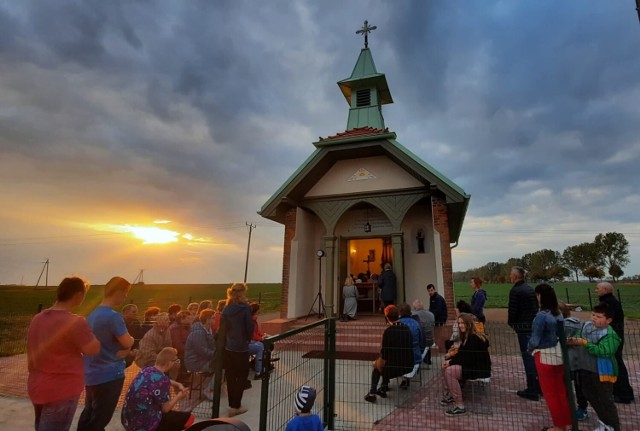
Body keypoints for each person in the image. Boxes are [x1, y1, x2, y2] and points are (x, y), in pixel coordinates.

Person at [27, 276, 100, 431]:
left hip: (37, 385)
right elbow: (93, 349)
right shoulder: (74, 322)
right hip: (62, 390)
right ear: (78, 295)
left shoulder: (38, 318)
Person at [78, 276, 135, 431]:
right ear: (118, 291)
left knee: (89, 413)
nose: (125, 296)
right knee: (100, 419)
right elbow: (128, 342)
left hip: (92, 373)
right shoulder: (113, 317)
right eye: (125, 292)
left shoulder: (93, 315)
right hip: (110, 375)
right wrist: (131, 340)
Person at [567, 303, 622, 431]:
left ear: (608, 320)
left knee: (605, 400)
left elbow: (604, 351)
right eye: (593, 315)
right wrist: (574, 340)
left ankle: (614, 427)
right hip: (586, 368)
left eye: (599, 316)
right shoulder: (586, 326)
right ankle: (605, 423)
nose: (594, 318)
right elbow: (580, 337)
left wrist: (585, 343)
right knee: (589, 394)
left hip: (602, 372)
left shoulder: (610, 335)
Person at [528, 284, 571, 431]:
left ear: (539, 296)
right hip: (558, 354)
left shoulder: (541, 315)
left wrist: (530, 348)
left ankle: (558, 427)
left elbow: (535, 338)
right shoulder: (557, 313)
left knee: (551, 394)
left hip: (544, 355)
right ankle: (567, 424)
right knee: (561, 392)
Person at [121, 347, 195, 431]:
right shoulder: (162, 381)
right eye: (175, 361)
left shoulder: (147, 369)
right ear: (169, 363)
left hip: (128, 420)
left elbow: (159, 379)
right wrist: (179, 396)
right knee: (189, 418)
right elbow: (165, 409)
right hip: (145, 425)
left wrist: (177, 384)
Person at [440, 313, 491, 417]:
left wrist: (450, 362)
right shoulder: (467, 336)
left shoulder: (474, 338)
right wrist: (450, 361)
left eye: (463, 323)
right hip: (472, 365)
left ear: (469, 324)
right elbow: (462, 354)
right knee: (446, 366)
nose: (460, 325)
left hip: (478, 368)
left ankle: (460, 406)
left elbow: (466, 357)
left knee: (450, 371)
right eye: (459, 323)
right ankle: (451, 394)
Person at [364, 305, 414, 403]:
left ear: (387, 317)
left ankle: (372, 394)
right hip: (408, 364)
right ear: (398, 315)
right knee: (386, 363)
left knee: (378, 366)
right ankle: (383, 387)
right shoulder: (406, 328)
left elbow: (384, 355)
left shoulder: (388, 332)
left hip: (394, 367)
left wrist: (376, 363)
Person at [596, 282, 634, 404]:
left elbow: (603, 320)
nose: (596, 290)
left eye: (598, 288)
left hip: (612, 336)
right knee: (617, 363)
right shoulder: (611, 301)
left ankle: (623, 394)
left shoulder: (607, 303)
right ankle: (625, 392)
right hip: (616, 335)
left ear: (605, 289)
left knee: (616, 364)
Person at [507, 266, 540, 401]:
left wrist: (513, 325)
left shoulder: (516, 290)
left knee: (528, 359)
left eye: (511, 274)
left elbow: (513, 310)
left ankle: (532, 390)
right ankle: (538, 387)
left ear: (515, 276)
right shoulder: (530, 289)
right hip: (531, 326)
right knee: (533, 357)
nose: (510, 277)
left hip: (523, 327)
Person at [221, 282, 254, 417]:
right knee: (241, 377)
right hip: (241, 348)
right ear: (243, 293)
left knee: (230, 376)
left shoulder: (227, 308)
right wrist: (247, 339)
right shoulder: (245, 308)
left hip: (229, 347)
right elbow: (249, 327)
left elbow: (224, 327)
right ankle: (236, 406)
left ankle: (232, 404)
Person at [559, 302, 589, 422]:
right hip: (576, 359)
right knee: (576, 385)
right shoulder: (577, 322)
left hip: (570, 360)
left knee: (575, 385)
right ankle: (578, 407)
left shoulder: (565, 325)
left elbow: (561, 341)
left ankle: (580, 408)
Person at [184, 309, 216, 400]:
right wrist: (216, 355)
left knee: (224, 363)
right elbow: (202, 351)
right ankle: (209, 390)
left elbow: (211, 346)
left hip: (202, 360)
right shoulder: (198, 332)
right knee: (220, 367)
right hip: (195, 362)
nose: (215, 320)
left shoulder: (208, 330)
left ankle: (213, 387)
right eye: (213, 318)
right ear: (207, 319)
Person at [398, 303, 424, 390]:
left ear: (400, 313)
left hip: (400, 358)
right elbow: (421, 340)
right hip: (415, 357)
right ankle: (406, 379)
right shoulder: (416, 324)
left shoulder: (397, 324)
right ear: (410, 312)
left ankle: (384, 385)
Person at [411, 299, 435, 366]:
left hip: (420, 340)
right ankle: (427, 360)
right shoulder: (431, 314)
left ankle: (415, 360)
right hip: (430, 340)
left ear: (415, 308)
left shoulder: (413, 314)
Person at [249, 302, 266, 379]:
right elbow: (252, 335)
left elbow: (257, 331)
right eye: (258, 312)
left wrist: (263, 335)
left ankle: (263, 363)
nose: (259, 313)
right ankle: (258, 372)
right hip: (248, 342)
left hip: (251, 341)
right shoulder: (250, 321)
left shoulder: (254, 320)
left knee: (266, 340)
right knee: (260, 346)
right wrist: (260, 338)